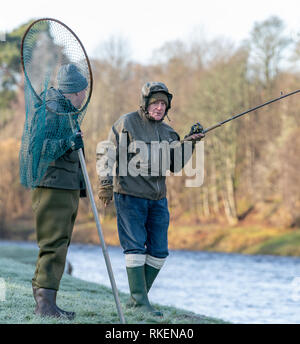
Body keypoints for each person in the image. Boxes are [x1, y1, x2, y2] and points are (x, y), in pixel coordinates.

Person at [96, 82, 204, 316]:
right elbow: (107, 152)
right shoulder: (126, 123)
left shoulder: (168, 133)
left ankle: (137, 300)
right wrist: (105, 184)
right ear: (145, 103)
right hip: (129, 195)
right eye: (155, 102)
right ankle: (140, 302)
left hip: (158, 199)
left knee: (159, 251)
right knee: (135, 247)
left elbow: (175, 164)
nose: (159, 107)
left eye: (163, 104)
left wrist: (190, 142)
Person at [30, 64, 87, 319]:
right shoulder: (50, 111)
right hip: (52, 187)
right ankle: (44, 305)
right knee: (53, 244)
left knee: (59, 244)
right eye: (82, 92)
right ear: (74, 92)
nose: (84, 96)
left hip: (65, 187)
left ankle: (48, 302)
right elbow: (37, 149)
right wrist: (67, 142)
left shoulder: (66, 113)